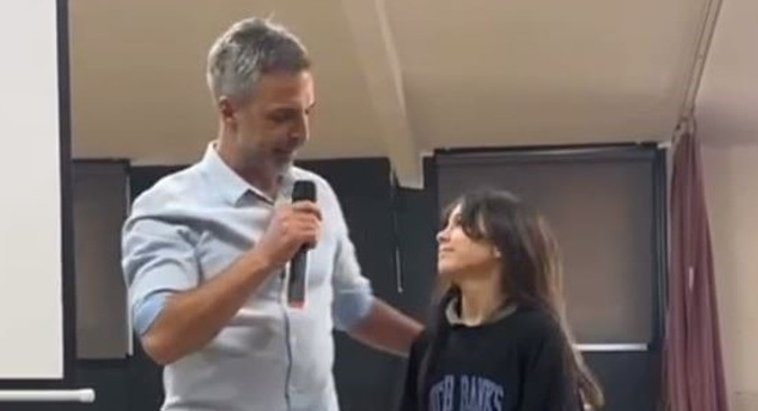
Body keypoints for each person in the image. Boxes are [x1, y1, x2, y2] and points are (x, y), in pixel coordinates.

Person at [121, 17, 422, 411]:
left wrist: (442, 352)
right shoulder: (168, 207)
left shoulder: (317, 193)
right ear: (229, 111)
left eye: (307, 112)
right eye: (282, 117)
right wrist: (264, 257)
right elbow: (162, 337)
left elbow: (353, 309)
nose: (301, 133)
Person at [398, 189, 604, 411]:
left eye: (459, 224)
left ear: (499, 244)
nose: (442, 236)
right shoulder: (429, 343)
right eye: (445, 225)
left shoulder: (537, 336)